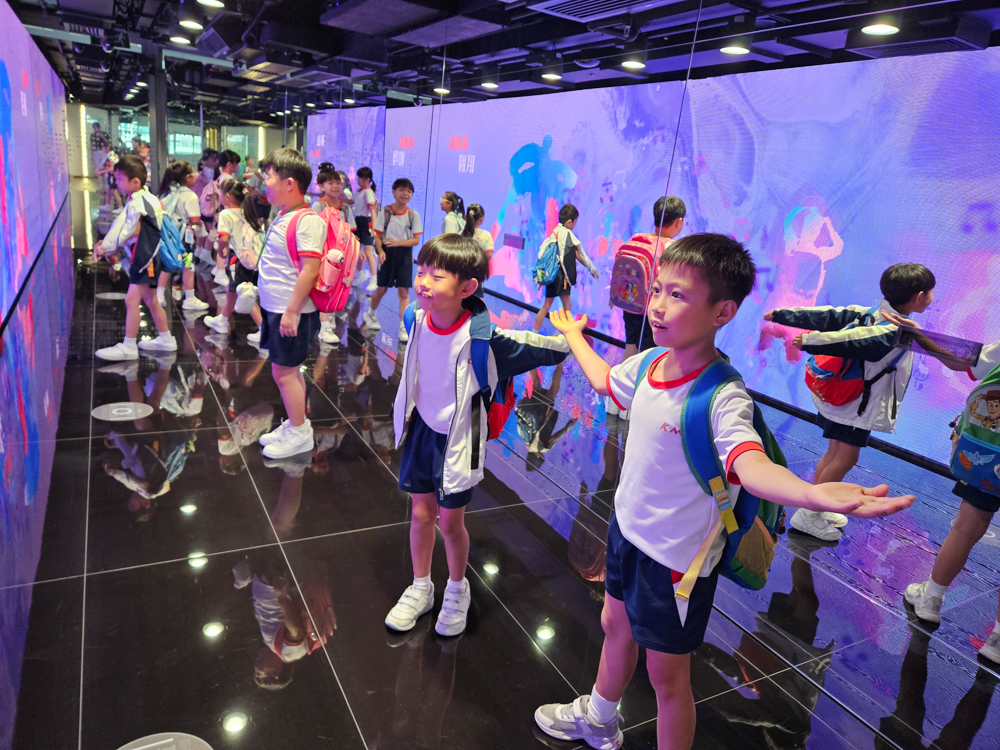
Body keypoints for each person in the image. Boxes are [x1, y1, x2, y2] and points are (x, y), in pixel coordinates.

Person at [533, 233, 915, 750]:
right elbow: (605, 381)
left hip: (676, 564)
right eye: (658, 289)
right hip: (627, 533)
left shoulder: (723, 395)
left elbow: (750, 465)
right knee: (613, 623)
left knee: (668, 678)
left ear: (723, 312)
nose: (658, 305)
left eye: (678, 295)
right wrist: (573, 334)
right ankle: (599, 720)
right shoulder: (648, 365)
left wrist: (813, 494)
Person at [387, 234, 572, 638]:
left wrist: (570, 338)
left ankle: (457, 588)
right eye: (421, 272)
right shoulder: (414, 317)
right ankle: (421, 586)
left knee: (450, 523)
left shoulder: (483, 338)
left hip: (459, 439)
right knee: (421, 514)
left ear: (467, 287)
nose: (423, 283)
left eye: (437, 276)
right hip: (422, 429)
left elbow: (535, 346)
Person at [765, 263, 936, 541]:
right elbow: (851, 337)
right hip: (856, 406)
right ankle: (810, 514)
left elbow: (828, 316)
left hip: (844, 401)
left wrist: (784, 315)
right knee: (845, 458)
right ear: (919, 297)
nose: (931, 298)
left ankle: (818, 506)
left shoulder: (869, 313)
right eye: (930, 292)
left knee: (834, 455)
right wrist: (811, 340)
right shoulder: (892, 329)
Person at [904, 337, 1000, 664]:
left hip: (990, 458)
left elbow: (960, 361)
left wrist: (917, 334)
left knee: (965, 528)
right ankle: (997, 640)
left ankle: (931, 599)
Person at [255, 147, 323, 460]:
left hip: (290, 311)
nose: (264, 183)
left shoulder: (306, 220)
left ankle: (299, 433)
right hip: (280, 308)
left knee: (283, 373)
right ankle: (298, 425)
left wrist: (292, 311)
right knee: (289, 371)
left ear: (289, 183)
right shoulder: (286, 215)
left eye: (269, 177)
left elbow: (310, 269)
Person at [91, 155, 178, 361]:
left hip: (145, 258)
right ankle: (166, 340)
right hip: (148, 256)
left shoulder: (139, 202)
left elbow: (128, 229)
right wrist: (108, 245)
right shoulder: (142, 198)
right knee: (150, 300)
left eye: (120, 179)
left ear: (135, 181)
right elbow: (127, 228)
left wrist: (105, 246)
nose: (117, 183)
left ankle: (129, 346)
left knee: (132, 300)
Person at [621, 196, 687, 362]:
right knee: (649, 358)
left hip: (630, 304)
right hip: (652, 312)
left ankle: (618, 378)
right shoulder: (672, 248)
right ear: (679, 222)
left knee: (629, 352)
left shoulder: (636, 240)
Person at [203, 182, 265, 346]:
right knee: (232, 290)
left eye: (221, 195)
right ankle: (222, 320)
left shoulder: (226, 214)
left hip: (238, 259)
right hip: (252, 258)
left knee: (245, 294)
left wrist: (220, 250)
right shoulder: (247, 212)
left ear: (228, 197)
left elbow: (224, 238)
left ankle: (263, 329)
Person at [365, 177, 422, 343]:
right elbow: (378, 236)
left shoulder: (413, 215)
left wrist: (398, 243)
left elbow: (416, 240)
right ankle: (371, 313)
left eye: (409, 191)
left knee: (403, 291)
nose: (405, 194)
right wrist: (381, 251)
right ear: (394, 192)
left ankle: (404, 326)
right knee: (382, 289)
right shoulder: (385, 212)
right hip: (387, 255)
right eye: (402, 190)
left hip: (405, 256)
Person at [531, 204, 598, 333]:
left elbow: (541, 254)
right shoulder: (568, 235)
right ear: (569, 222)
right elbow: (581, 255)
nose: (575, 225)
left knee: (546, 306)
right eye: (575, 222)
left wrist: (541, 276)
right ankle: (568, 336)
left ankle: (534, 332)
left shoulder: (554, 233)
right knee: (567, 307)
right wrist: (592, 269)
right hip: (562, 276)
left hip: (551, 275)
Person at [154, 161, 207, 311]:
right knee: (188, 264)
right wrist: (201, 224)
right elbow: (194, 219)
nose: (196, 176)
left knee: (167, 263)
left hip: (168, 235)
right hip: (184, 237)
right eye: (194, 173)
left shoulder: (167, 193)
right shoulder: (190, 195)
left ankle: (159, 295)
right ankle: (190, 298)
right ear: (188, 177)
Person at [314, 163, 356, 346]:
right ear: (321, 186)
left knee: (337, 287)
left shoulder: (345, 208)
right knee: (325, 287)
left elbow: (351, 232)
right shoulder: (319, 205)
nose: (335, 186)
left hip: (342, 257)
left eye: (338, 183)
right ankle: (325, 326)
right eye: (330, 183)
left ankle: (329, 319)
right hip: (325, 256)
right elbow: (314, 230)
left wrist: (357, 251)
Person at [354, 166, 379, 292]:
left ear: (367, 180)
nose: (358, 180)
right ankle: (361, 274)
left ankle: (374, 279)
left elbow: (372, 210)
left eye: (360, 178)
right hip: (358, 221)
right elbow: (351, 202)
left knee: (369, 252)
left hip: (366, 222)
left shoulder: (368, 192)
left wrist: (374, 227)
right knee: (356, 250)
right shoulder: (359, 191)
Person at [461, 203, 493, 299]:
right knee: (476, 296)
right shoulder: (486, 235)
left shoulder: (461, 233)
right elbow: (489, 254)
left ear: (466, 217)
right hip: (477, 271)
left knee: (462, 293)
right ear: (481, 219)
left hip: (462, 270)